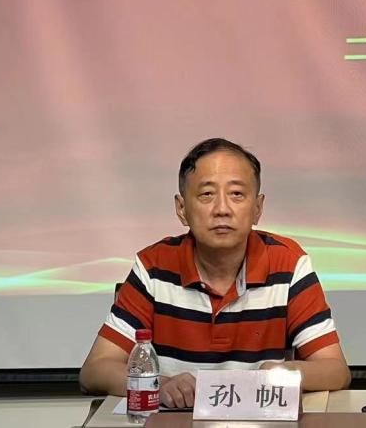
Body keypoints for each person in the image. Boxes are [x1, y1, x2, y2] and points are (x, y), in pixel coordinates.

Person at [79, 138, 351, 404]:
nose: (222, 209)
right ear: (182, 209)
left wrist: (283, 373)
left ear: (257, 208)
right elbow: (95, 370)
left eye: (237, 194)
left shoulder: (289, 264)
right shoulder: (154, 266)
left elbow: (335, 370)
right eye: (207, 194)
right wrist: (160, 385)